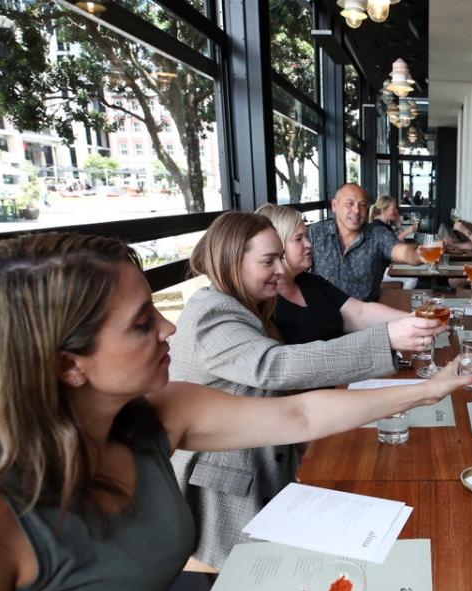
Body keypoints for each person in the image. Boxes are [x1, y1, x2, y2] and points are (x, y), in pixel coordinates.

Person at [0, 232, 472, 591]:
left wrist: (427, 391)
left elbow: (300, 416)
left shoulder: (159, 415)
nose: (169, 327)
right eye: (141, 323)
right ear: (68, 365)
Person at [169, 212, 444, 570]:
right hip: (224, 492)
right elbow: (275, 367)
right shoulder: (211, 314)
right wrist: (388, 338)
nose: (279, 269)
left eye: (279, 259)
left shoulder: (245, 304)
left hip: (272, 460)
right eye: (268, 261)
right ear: (230, 262)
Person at [256, 203, 412, 344]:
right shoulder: (263, 302)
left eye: (307, 236)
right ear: (276, 244)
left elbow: (361, 313)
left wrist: (413, 318)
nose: (309, 244)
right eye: (298, 239)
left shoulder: (311, 283)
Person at [309, 183, 424, 301]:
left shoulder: (378, 234)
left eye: (362, 205)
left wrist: (420, 254)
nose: (357, 210)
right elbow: (295, 268)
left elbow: (403, 251)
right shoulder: (316, 233)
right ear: (334, 205)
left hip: (365, 315)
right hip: (321, 314)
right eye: (350, 203)